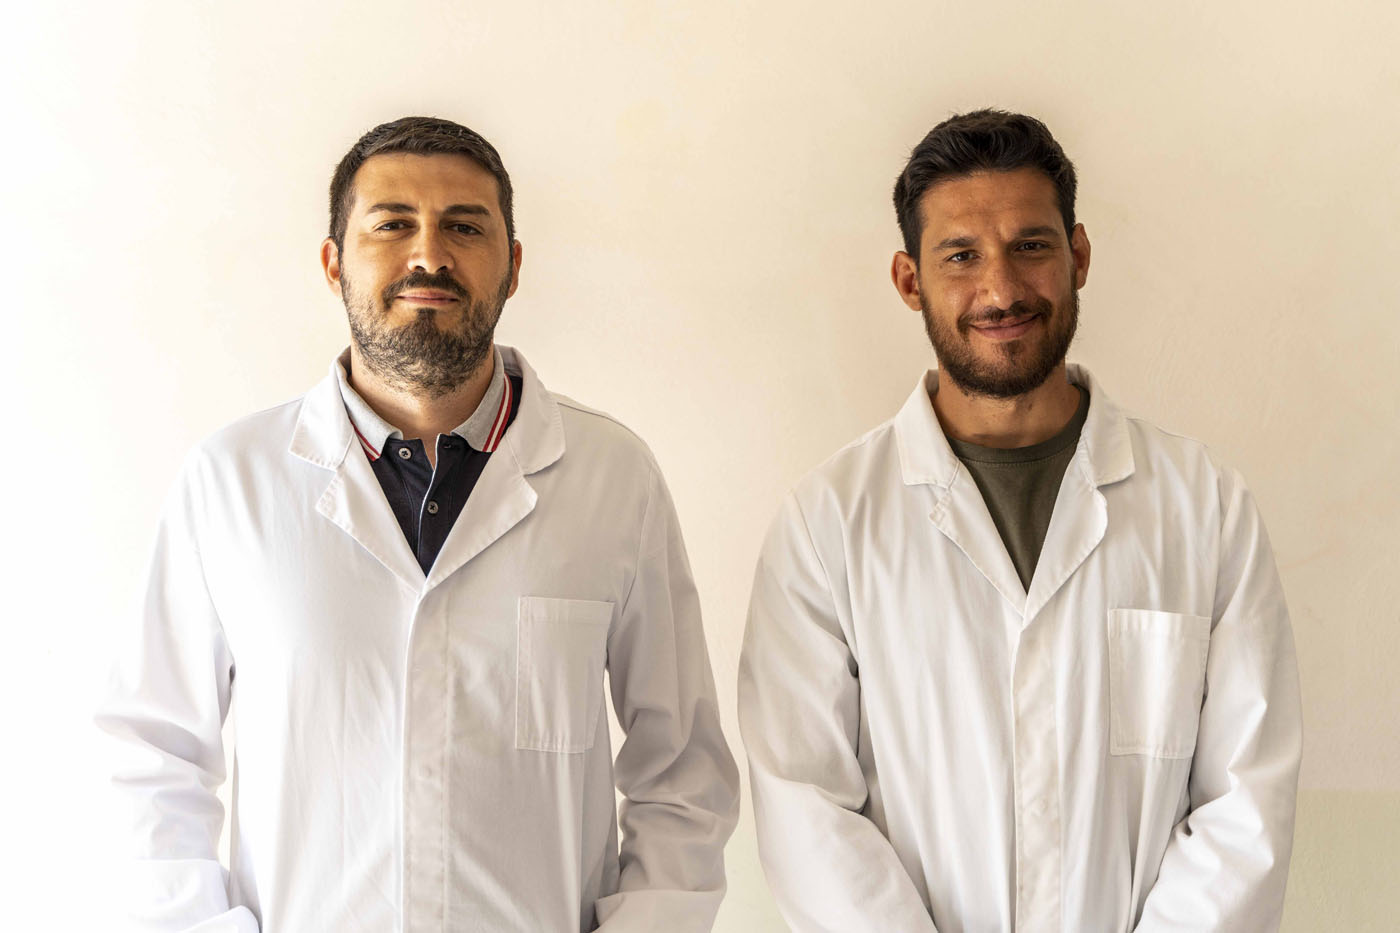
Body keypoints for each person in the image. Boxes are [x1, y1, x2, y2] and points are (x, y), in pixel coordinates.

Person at [98, 116, 740, 932]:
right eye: (392, 224)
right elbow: (151, 759)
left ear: (513, 266)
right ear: (334, 263)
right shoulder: (231, 482)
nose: (428, 255)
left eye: (464, 227)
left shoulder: (613, 479)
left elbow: (682, 774)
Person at [738, 109, 1301, 931]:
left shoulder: (1204, 506)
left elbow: (1245, 805)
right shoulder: (825, 527)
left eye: (1030, 246)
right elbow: (806, 812)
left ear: (1079, 256)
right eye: (961, 255)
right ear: (909, 280)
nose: (1001, 290)